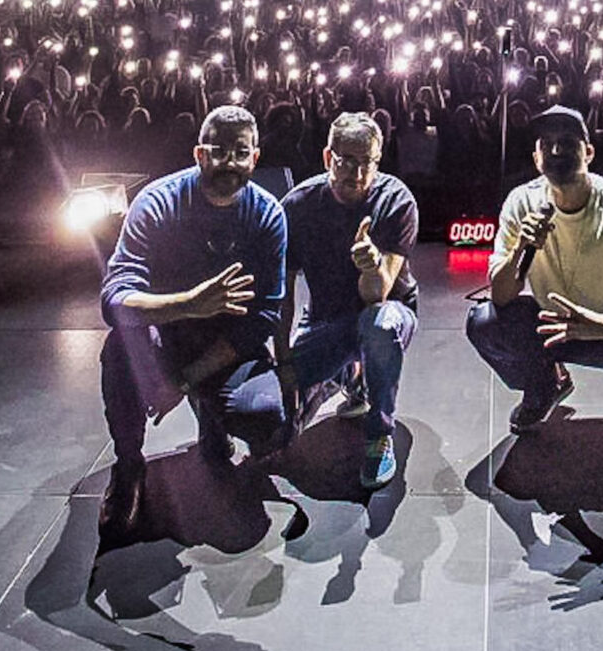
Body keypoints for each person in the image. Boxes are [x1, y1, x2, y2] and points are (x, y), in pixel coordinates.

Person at [96, 105, 288, 538]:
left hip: (227, 348)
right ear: (200, 154)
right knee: (120, 347)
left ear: (254, 158)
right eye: (218, 151)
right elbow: (114, 300)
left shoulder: (267, 215)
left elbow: (263, 320)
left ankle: (213, 418)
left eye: (240, 153)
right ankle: (129, 467)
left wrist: (184, 383)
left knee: (267, 417)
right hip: (167, 339)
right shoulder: (158, 203)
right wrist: (189, 304)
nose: (229, 163)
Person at [467, 105, 603, 462]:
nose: (557, 152)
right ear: (536, 156)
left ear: (588, 152)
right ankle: (544, 386)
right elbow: (502, 294)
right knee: (485, 322)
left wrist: (596, 326)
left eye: (568, 143)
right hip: (554, 329)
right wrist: (521, 248)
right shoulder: (522, 203)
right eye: (548, 144)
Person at [274, 111, 420, 489]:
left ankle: (378, 434)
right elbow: (282, 293)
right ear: (328, 158)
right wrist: (283, 359)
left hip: (386, 311)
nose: (357, 174)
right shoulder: (297, 206)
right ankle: (347, 376)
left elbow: (377, 295)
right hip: (324, 322)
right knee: (272, 429)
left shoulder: (396, 201)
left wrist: (371, 265)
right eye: (347, 162)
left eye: (367, 163)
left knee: (378, 324)